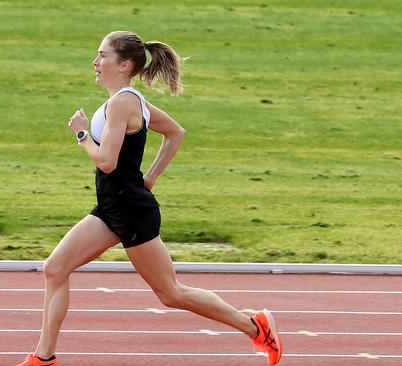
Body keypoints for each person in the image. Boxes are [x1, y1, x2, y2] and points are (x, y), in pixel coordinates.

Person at [16, 30, 283, 366]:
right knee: (55, 269)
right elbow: (175, 132)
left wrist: (82, 133)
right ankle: (44, 357)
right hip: (111, 208)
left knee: (171, 293)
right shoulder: (129, 100)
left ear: (125, 65)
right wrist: (151, 177)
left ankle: (255, 326)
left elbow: (107, 161)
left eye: (103, 56)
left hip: (129, 211)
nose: (95, 62)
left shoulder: (123, 103)